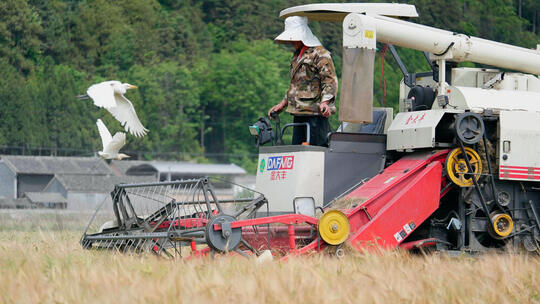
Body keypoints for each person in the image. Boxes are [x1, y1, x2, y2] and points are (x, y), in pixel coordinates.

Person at [268, 16, 338, 147]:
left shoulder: (320, 54)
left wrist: (325, 102)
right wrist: (282, 104)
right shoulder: (297, 56)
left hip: (315, 113)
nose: (292, 41)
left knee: (315, 151)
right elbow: (296, 86)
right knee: (297, 150)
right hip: (299, 112)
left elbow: (329, 80)